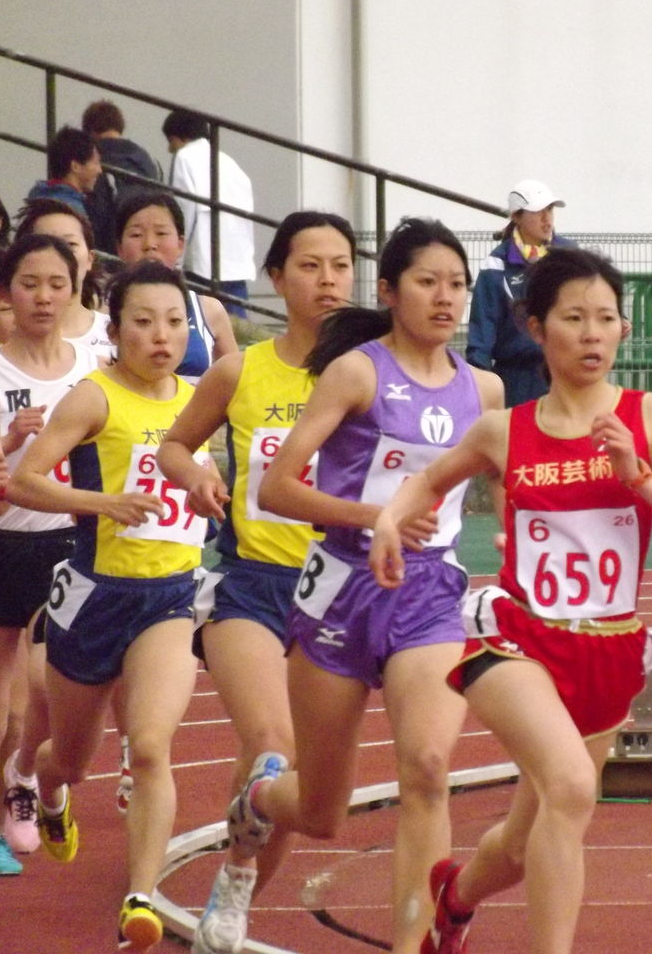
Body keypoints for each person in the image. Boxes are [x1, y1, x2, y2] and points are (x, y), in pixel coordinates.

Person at [368, 247, 652, 954]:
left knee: (522, 836)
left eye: (606, 319)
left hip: (608, 651)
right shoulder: (506, 430)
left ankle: (457, 892)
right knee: (569, 788)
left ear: (625, 330)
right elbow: (427, 481)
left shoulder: (650, 417)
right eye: (574, 318)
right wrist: (389, 519)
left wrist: (640, 478)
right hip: (518, 640)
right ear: (537, 328)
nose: (592, 333)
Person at [213, 217, 501, 954]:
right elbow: (276, 489)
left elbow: (505, 488)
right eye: (427, 282)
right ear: (390, 290)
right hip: (341, 590)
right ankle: (260, 795)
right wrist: (374, 516)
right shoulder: (357, 372)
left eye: (457, 284)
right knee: (320, 811)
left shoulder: (485, 389)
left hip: (429, 593)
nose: (445, 298)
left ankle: (412, 943)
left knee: (429, 769)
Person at [155, 210, 356, 954]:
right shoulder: (242, 371)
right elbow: (176, 446)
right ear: (276, 277)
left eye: (340, 265)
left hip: (338, 591)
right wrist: (199, 473)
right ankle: (235, 890)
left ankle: (236, 880)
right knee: (272, 741)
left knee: (285, 771)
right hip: (253, 585)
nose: (328, 279)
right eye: (310, 265)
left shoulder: (368, 372)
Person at [8, 260, 205, 951]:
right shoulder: (93, 398)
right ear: (115, 330)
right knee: (75, 758)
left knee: (150, 747)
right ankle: (42, 780)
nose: (162, 336)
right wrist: (105, 503)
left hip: (170, 600)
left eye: (176, 322)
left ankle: (140, 897)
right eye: (144, 322)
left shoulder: (200, 399)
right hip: (94, 600)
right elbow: (25, 481)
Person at [0, 233, 104, 869]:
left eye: (56, 284)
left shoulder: (94, 367)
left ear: (74, 289)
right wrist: (9, 441)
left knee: (39, 687)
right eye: (28, 283)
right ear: (5, 291)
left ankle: (25, 779)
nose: (42, 296)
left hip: (66, 546)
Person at [466, 179, 575, 407]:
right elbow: (482, 332)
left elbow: (592, 299)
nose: (547, 218)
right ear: (516, 216)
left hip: (565, 374)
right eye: (538, 211)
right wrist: (478, 385)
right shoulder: (496, 265)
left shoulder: (570, 255)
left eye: (550, 209)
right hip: (514, 381)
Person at [117, 190, 239, 383]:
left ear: (180, 244)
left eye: (161, 233)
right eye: (136, 234)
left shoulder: (209, 310)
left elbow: (236, 383)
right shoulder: (103, 310)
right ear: (119, 248)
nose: (150, 244)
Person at [162, 109, 256, 318]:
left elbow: (185, 209)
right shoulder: (230, 163)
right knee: (238, 331)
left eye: (171, 142)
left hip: (202, 261)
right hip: (236, 261)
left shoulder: (185, 158)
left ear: (178, 137)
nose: (170, 149)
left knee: (203, 322)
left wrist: (177, 256)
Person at [15, 198, 113, 360]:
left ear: (90, 258)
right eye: (44, 243)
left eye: (70, 244)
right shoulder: (4, 333)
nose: (59, 254)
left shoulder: (117, 333)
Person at [82, 99, 163, 254]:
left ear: (90, 130)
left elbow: (96, 217)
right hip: (148, 247)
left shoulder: (96, 162)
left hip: (113, 251)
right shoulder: (149, 161)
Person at [25, 126, 102, 220]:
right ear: (75, 166)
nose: (99, 170)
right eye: (95, 162)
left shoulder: (37, 199)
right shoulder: (71, 210)